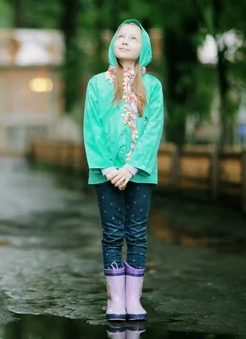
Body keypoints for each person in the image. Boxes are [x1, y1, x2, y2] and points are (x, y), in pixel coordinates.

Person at [83, 19, 164, 322]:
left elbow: (154, 127)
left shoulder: (152, 86)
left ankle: (134, 299)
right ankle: (116, 299)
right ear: (112, 43)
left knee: (137, 234)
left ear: (144, 48)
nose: (126, 41)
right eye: (121, 36)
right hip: (104, 172)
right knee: (113, 234)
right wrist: (107, 166)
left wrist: (131, 167)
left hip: (140, 172)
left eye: (134, 38)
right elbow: (92, 127)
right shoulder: (98, 83)